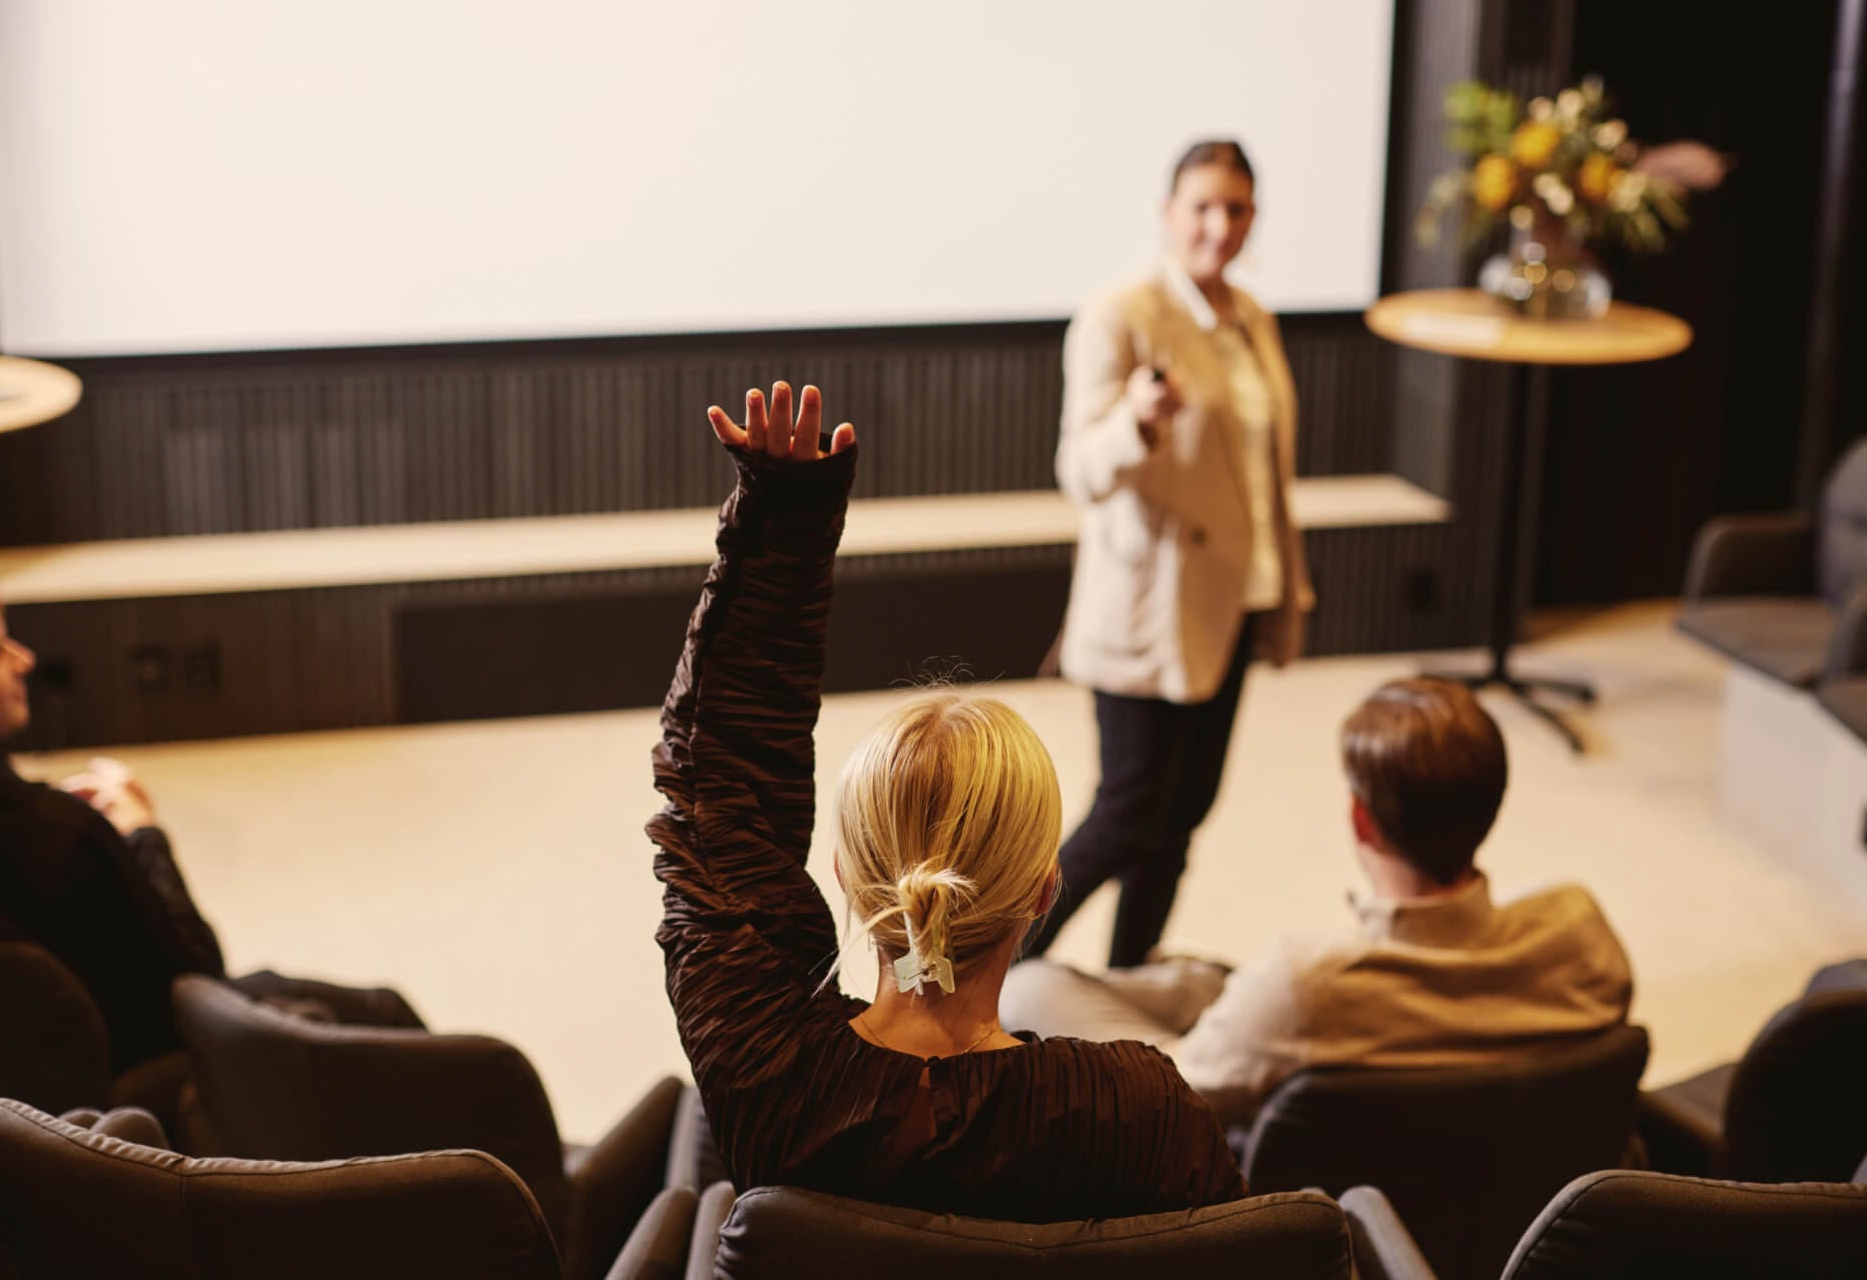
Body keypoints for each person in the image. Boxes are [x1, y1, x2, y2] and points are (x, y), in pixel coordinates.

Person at [649, 381, 1245, 1221]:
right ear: (1045, 888)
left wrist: (783, 523)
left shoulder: (765, 1070)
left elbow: (716, 787)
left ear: (847, 877)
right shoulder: (1139, 1114)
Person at [1003, 678, 1634, 1127]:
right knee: (1200, 982)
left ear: (1361, 820)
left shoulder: (1309, 982)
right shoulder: (1581, 933)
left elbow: (1185, 1094)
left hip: (1269, 1147)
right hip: (1491, 1187)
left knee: (1032, 986)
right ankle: (1199, 983)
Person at [1036, 139, 1315, 968]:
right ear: (1169, 213)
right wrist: (1139, 422)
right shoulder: (1124, 314)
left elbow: (1264, 474)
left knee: (1183, 814)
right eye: (1202, 206)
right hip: (1149, 607)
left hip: (1234, 595)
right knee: (1125, 811)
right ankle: (972, 980)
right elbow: (1079, 469)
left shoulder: (1252, 318)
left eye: (1236, 207)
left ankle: (1126, 986)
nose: (1219, 225)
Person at [0, 585, 422, 1080]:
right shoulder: (64, 835)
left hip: (26, 1103)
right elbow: (195, 973)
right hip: (150, 1073)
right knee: (383, 1010)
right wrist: (142, 833)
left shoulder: (45, 826)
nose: (24, 659)